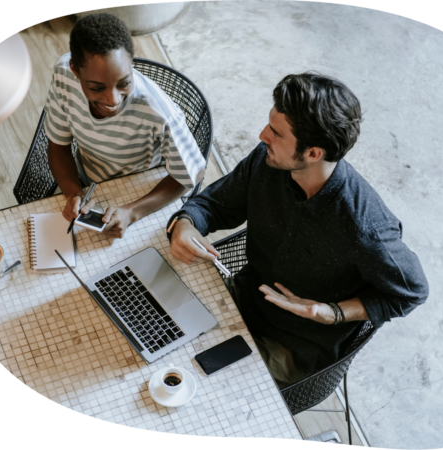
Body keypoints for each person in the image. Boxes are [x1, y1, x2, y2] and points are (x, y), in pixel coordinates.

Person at [167, 72, 429, 387]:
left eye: (276, 133)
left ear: (313, 153)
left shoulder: (365, 227)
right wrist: (185, 224)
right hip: (242, 299)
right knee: (160, 339)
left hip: (295, 344)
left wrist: (330, 313)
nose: (263, 135)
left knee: (200, 386)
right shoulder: (268, 161)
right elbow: (214, 205)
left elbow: (412, 292)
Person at [44, 13, 205, 238]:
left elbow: (192, 175)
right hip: (88, 185)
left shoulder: (160, 114)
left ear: (132, 64)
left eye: (124, 83)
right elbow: (58, 146)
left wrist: (133, 212)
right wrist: (72, 192)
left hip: (142, 193)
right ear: (74, 70)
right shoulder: (63, 74)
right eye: (97, 88)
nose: (113, 100)